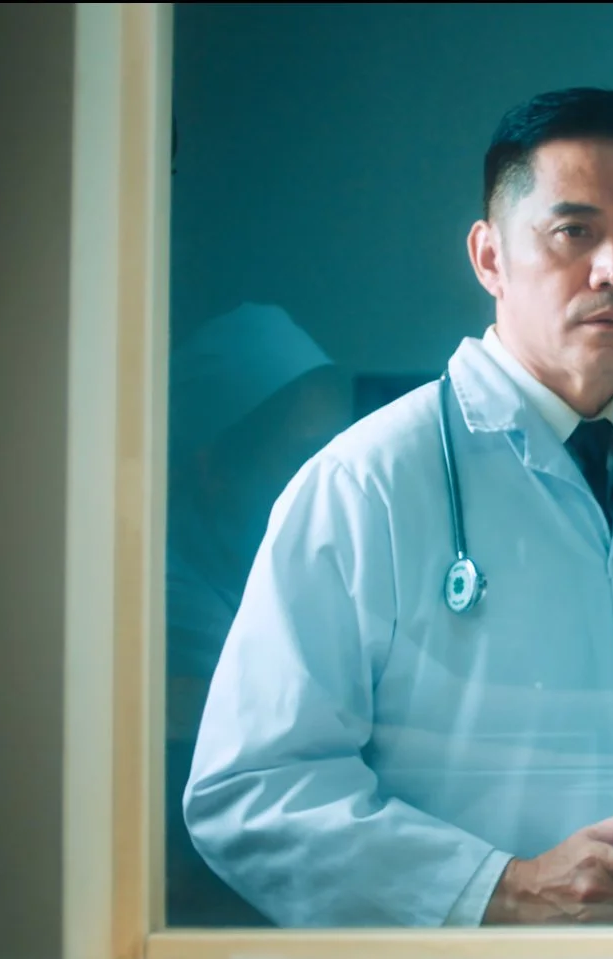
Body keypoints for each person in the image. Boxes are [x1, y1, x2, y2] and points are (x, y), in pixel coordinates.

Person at [183, 88, 613, 928]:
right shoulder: (369, 482)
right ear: (489, 257)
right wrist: (500, 887)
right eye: (574, 231)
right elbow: (254, 791)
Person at [164, 302, 351, 927]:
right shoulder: (169, 602)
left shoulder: (289, 555)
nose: (330, 479)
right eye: (302, 456)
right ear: (212, 470)